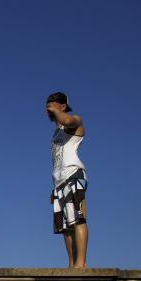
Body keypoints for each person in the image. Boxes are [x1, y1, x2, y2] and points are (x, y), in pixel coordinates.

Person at [46, 92, 88, 268]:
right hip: (59, 181)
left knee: (78, 219)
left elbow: (70, 121)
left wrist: (57, 112)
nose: (47, 109)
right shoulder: (56, 134)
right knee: (65, 226)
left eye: (51, 105)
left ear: (62, 106)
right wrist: (53, 189)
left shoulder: (74, 120)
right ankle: (72, 264)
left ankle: (81, 263)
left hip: (73, 175)